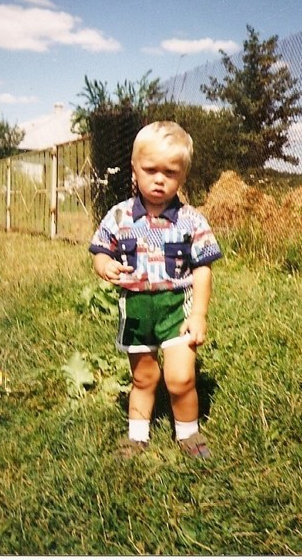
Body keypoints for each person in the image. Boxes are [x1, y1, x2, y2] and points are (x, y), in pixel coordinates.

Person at [89, 121, 222, 458]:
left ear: (183, 176)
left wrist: (199, 314)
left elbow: (203, 269)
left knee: (180, 378)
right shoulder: (118, 217)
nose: (159, 179)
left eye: (170, 172)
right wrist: (105, 266)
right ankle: (137, 436)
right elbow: (101, 252)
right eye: (150, 170)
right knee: (144, 378)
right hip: (136, 309)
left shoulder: (192, 221)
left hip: (176, 307)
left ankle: (188, 434)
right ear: (134, 168)